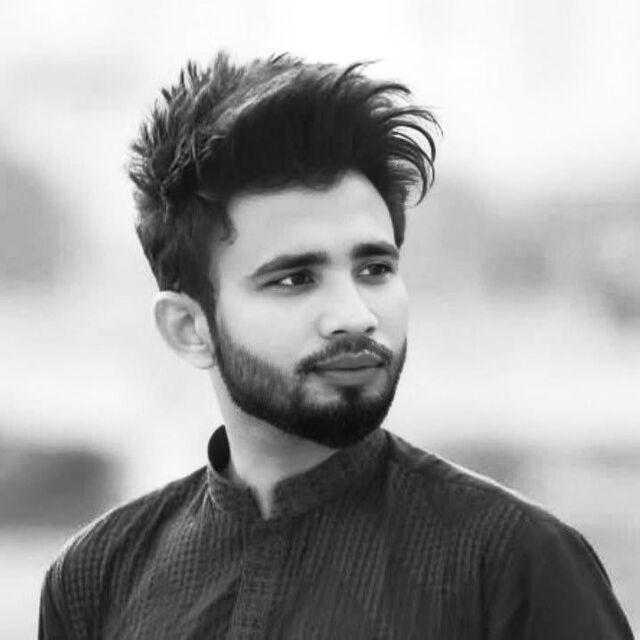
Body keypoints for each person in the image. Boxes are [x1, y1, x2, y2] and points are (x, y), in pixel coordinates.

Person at [38, 52, 634, 640]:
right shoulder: (96, 578)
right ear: (189, 328)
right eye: (295, 279)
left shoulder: (512, 564)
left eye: (374, 269)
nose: (356, 316)